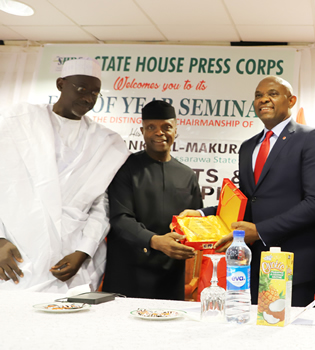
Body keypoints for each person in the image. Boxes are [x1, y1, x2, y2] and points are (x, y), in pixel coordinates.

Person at [181, 76, 315, 307]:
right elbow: (247, 201)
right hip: (249, 263)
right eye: (258, 95)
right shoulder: (247, 147)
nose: (264, 100)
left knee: (284, 338)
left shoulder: (310, 138)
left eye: (272, 94)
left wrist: (260, 231)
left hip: (292, 263)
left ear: (291, 100)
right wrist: (202, 215)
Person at [0, 58, 129, 292]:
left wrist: (84, 251)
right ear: (60, 84)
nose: (88, 98)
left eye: (95, 93)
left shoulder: (107, 142)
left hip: (69, 254)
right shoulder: (17, 121)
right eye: (81, 89)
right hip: (15, 249)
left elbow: (102, 205)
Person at [102, 100, 202, 300]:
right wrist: (155, 241)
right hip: (128, 273)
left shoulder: (187, 175)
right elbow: (120, 219)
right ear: (142, 131)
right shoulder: (125, 168)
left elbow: (194, 223)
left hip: (170, 276)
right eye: (151, 127)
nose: (159, 132)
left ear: (176, 130)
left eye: (166, 127)